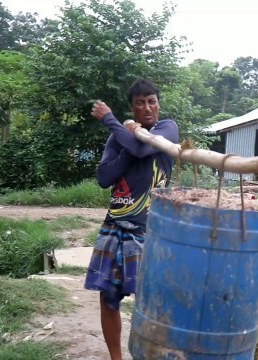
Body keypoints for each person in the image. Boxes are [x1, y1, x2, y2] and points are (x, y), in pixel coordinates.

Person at [84, 79, 179, 360]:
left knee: (149, 301)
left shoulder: (167, 129)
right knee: (108, 298)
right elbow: (104, 178)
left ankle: (150, 355)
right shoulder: (118, 136)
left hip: (149, 229)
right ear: (133, 107)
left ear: (158, 103)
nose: (147, 107)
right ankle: (116, 358)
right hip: (114, 225)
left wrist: (111, 121)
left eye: (151, 101)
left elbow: (143, 150)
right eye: (140, 103)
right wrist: (125, 140)